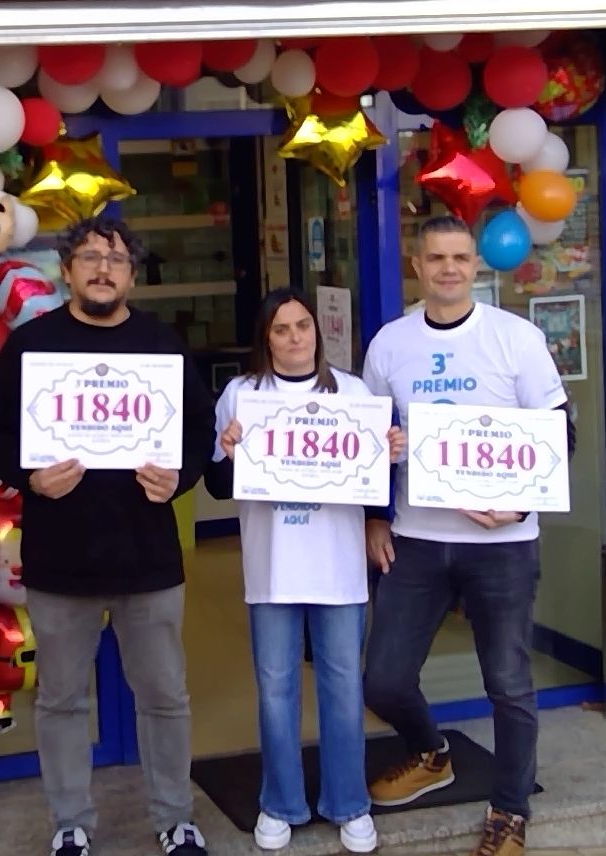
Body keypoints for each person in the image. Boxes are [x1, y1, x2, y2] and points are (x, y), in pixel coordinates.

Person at [0, 215, 218, 856]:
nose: (102, 269)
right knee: (59, 700)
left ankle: (174, 817)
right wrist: (29, 478)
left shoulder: (162, 344)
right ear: (68, 270)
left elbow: (198, 432)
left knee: (165, 696)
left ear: (132, 274)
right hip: (61, 556)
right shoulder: (32, 346)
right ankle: (71, 824)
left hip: (148, 557)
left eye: (114, 259)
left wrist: (180, 479)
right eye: (89, 257)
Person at [358, 216, 576, 856]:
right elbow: (372, 437)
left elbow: (560, 432)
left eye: (460, 257)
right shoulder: (389, 344)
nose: (449, 268)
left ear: (477, 265)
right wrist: (374, 515)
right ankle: (431, 753)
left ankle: (509, 812)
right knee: (385, 679)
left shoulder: (517, 338)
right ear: (417, 265)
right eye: (436, 258)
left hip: (502, 546)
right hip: (416, 538)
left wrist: (517, 505)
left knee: (508, 682)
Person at [205, 288, 402, 854]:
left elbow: (374, 483)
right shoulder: (243, 395)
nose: (296, 337)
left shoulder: (353, 392)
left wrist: (387, 453)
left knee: (343, 686)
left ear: (318, 331)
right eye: (282, 329)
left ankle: (349, 804)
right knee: (275, 689)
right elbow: (219, 485)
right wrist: (229, 447)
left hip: (338, 568)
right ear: (265, 338)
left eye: (304, 326)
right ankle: (280, 803)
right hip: (272, 567)